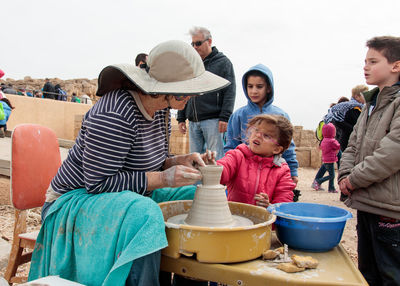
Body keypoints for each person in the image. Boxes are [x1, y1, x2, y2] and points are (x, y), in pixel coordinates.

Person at [28, 40, 230, 286]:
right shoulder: (116, 112)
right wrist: (164, 178)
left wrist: (179, 161)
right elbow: (98, 183)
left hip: (123, 192)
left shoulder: (162, 110)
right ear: (167, 88)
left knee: (195, 194)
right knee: (145, 214)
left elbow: (152, 162)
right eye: (187, 90)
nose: (191, 97)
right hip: (73, 199)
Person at [338, 36, 400, 286]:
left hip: (389, 209)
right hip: (367, 202)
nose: (366, 67)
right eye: (365, 61)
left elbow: (392, 153)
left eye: (373, 61)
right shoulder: (370, 105)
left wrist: (353, 179)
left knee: (391, 274)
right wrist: (344, 175)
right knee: (367, 272)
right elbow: (352, 145)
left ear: (396, 66)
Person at [224, 64, 299, 184]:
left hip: (272, 174)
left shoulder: (281, 116)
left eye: (259, 87)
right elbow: (231, 146)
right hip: (244, 175)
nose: (254, 91)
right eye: (250, 86)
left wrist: (293, 171)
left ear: (268, 88)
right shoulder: (238, 115)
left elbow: (288, 147)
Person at [207, 114, 295, 206]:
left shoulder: (282, 170)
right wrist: (212, 167)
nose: (258, 135)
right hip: (235, 216)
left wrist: (270, 206)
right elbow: (223, 171)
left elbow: (284, 201)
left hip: (264, 219)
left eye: (266, 135)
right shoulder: (238, 156)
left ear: (276, 149)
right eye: (256, 130)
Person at [177, 26, 236, 160]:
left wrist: (225, 117)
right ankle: (197, 182)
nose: (195, 47)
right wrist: (181, 117)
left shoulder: (223, 63)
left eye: (198, 43)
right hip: (193, 122)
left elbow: (230, 91)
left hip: (213, 121)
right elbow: (186, 90)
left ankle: (218, 182)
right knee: (195, 161)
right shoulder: (192, 65)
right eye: (192, 44)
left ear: (209, 42)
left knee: (215, 160)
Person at [311, 123, 340, 192]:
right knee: (332, 175)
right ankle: (318, 181)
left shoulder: (324, 141)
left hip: (325, 159)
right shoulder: (332, 141)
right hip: (330, 160)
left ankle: (331, 188)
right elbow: (338, 146)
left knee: (331, 174)